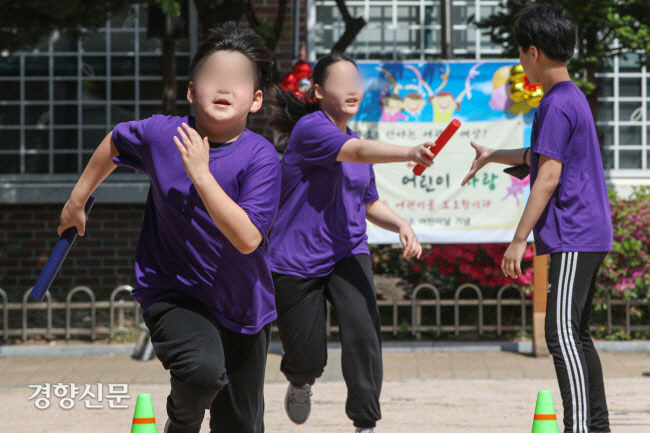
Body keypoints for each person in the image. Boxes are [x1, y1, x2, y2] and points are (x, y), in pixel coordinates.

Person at [57, 23, 280, 433]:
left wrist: (201, 174)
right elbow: (116, 142)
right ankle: (180, 426)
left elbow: (248, 239)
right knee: (201, 373)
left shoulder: (261, 158)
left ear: (256, 100)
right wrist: (77, 199)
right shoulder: (165, 135)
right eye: (214, 77)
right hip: (173, 293)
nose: (224, 87)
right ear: (193, 92)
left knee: (242, 426)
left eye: (237, 80)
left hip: (243, 305)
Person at [462, 5, 613, 433]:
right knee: (575, 335)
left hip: (573, 233)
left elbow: (548, 175)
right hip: (586, 233)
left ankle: (582, 427)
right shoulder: (570, 97)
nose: (521, 62)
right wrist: (493, 156)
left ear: (533, 52)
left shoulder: (555, 103)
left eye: (520, 54)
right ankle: (593, 426)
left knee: (560, 335)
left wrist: (517, 240)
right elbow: (541, 157)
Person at [266, 52, 434, 433]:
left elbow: (369, 202)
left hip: (347, 250)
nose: (352, 89)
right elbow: (355, 152)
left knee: (363, 333)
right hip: (296, 258)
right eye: (341, 82)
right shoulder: (311, 129)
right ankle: (300, 379)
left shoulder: (355, 141)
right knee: (308, 358)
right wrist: (409, 151)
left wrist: (401, 224)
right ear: (319, 92)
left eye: (355, 81)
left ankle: (365, 423)